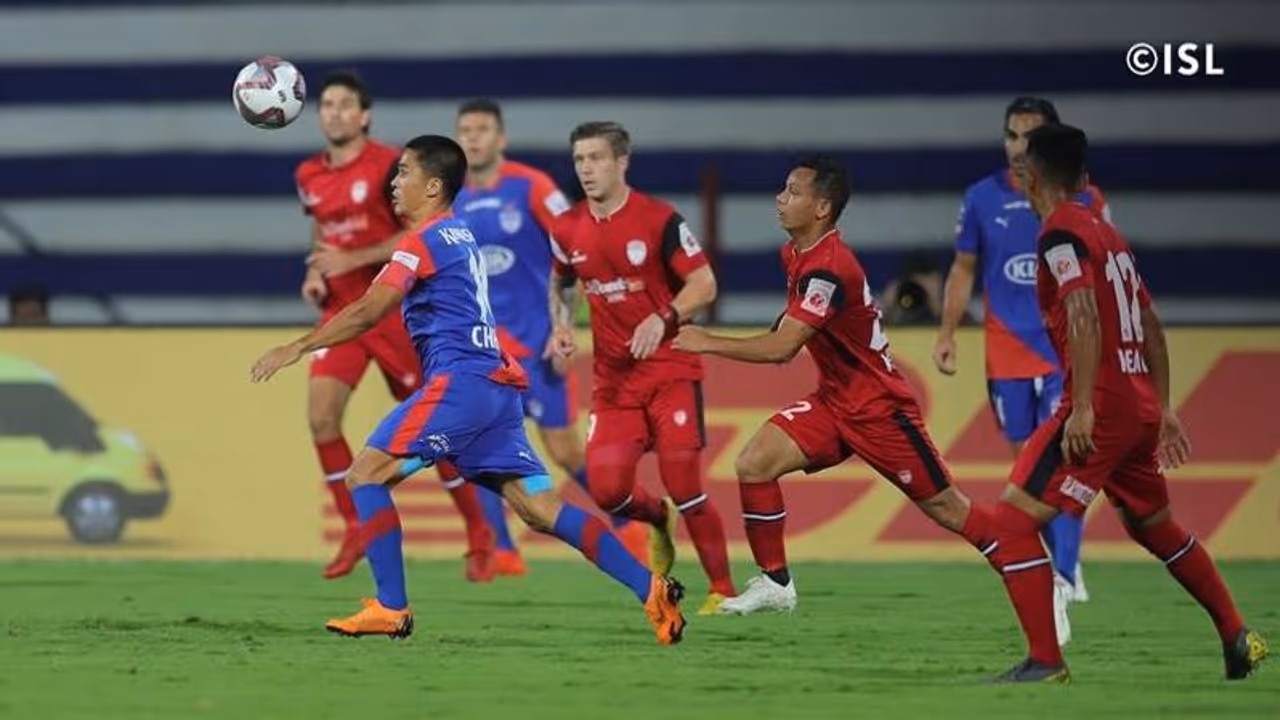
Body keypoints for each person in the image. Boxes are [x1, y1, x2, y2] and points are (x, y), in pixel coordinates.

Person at [251, 135, 687, 643]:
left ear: (433, 187)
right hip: (494, 389)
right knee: (539, 508)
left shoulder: (422, 241)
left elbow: (370, 310)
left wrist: (299, 346)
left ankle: (391, 607)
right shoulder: (458, 233)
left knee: (365, 475)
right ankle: (651, 588)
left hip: (461, 385)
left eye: (404, 172)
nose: (393, 183)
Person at [984, 122, 1267, 683]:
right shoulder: (1107, 234)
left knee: (1013, 521)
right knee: (1154, 526)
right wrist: (1163, 407)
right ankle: (1238, 635)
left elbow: (1083, 313)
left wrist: (1083, 407)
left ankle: (1046, 661)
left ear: (1030, 177)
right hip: (1137, 407)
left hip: (1102, 405)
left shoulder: (1060, 233)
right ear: (1082, 177)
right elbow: (1151, 324)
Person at [673, 155, 1000, 615]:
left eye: (793, 192)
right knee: (755, 462)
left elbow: (783, 349)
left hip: (880, 409)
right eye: (783, 189)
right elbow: (794, 325)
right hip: (835, 402)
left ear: (822, 207)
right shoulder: (795, 254)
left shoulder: (828, 268)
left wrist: (706, 341)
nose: (780, 199)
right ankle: (776, 583)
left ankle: (1025, 561)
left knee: (948, 508)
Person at [294, 70, 492, 581]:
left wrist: (353, 258)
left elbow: (417, 231)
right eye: (327, 104)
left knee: (435, 432)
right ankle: (355, 528)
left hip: (393, 310)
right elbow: (322, 231)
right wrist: (316, 272)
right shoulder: (308, 174)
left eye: (345, 104)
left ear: (364, 115)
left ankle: (478, 531)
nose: (335, 113)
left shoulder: (391, 166)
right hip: (343, 311)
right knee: (320, 418)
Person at [452, 100, 649, 575]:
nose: (473, 137)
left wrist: (565, 327)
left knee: (564, 450)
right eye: (465, 130)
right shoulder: (452, 199)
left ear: (501, 138)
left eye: (482, 129)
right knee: (474, 447)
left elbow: (576, 249)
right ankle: (502, 551)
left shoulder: (532, 186)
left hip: (537, 346)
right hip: (484, 352)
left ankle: (631, 525)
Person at [548, 122, 736, 614]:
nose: (586, 169)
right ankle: (657, 519)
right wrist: (561, 326)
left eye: (596, 158)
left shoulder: (658, 219)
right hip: (614, 382)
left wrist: (663, 317)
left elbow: (704, 284)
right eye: (579, 160)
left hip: (671, 370)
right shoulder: (566, 228)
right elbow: (563, 282)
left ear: (622, 162)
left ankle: (722, 590)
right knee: (608, 491)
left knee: (685, 484)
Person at [933, 97, 1103, 641]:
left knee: (1063, 460)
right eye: (1011, 135)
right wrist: (947, 332)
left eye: (1028, 137)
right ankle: (1057, 568)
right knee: (1027, 467)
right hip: (1004, 352)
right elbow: (963, 269)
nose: (1017, 147)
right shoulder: (981, 198)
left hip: (1061, 352)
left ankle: (1066, 574)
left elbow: (1105, 269)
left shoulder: (1084, 198)